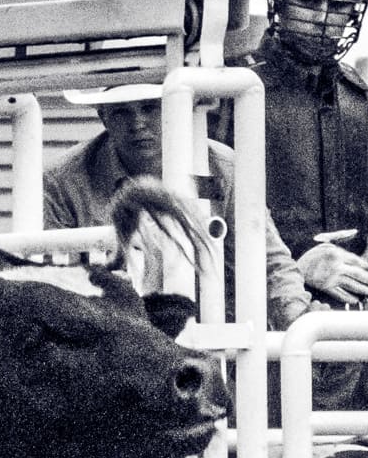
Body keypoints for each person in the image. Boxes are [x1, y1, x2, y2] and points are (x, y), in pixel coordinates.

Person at [229, 0, 368, 411]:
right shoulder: (234, 92)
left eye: (340, 5)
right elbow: (214, 230)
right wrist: (298, 267)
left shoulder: (361, 100)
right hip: (265, 353)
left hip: (363, 359)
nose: (325, 18)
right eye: (310, 1)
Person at [44, 87, 311, 328]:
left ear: (176, 108)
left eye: (150, 107)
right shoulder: (63, 181)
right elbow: (55, 287)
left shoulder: (223, 167)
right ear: (103, 117)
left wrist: (296, 317)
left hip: (209, 332)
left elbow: (267, 258)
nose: (137, 123)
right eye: (121, 112)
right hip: (112, 337)